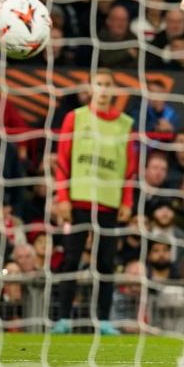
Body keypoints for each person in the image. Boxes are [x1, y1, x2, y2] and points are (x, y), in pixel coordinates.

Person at [53, 68, 136, 335]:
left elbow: (129, 168)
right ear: (91, 87)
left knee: (106, 263)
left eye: (107, 84)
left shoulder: (125, 123)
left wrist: (127, 201)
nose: (102, 89)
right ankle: (63, 318)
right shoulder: (74, 118)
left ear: (112, 90)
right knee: (71, 259)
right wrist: (62, 197)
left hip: (109, 203)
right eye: (98, 84)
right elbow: (63, 160)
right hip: (78, 200)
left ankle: (103, 320)